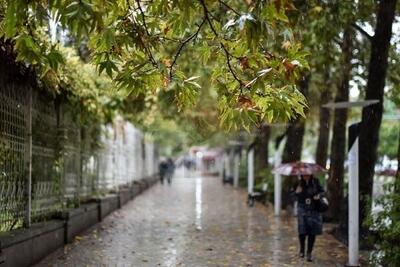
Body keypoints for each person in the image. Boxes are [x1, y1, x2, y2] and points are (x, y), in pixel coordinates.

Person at [291, 174, 324, 262]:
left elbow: (322, 191)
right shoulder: (298, 183)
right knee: (302, 230)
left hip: (313, 208)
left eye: (308, 174)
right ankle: (302, 250)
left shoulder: (315, 181)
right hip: (302, 208)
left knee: (312, 231)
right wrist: (296, 192)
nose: (306, 176)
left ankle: (309, 252)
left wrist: (318, 196)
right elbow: (291, 195)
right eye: (304, 174)